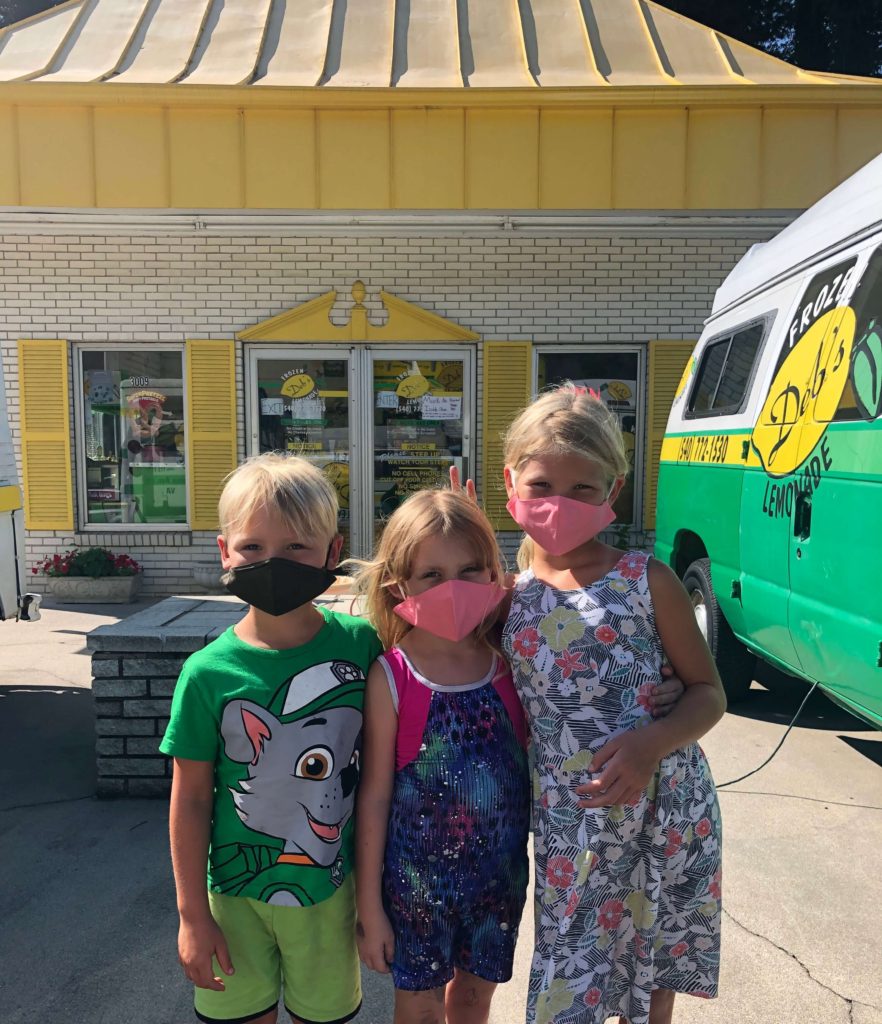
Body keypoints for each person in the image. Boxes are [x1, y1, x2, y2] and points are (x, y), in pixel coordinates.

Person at [501, 385, 726, 1024]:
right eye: (541, 486)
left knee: (651, 963)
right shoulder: (504, 599)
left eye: (583, 490)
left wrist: (656, 739)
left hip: (664, 809)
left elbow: (710, 693)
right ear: (511, 483)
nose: (559, 504)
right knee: (571, 972)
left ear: (614, 490)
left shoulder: (648, 580)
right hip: (572, 825)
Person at [159, 453, 381, 1024]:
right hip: (232, 902)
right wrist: (190, 915)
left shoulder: (363, 646)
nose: (272, 562)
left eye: (296, 547)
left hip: (329, 895)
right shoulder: (207, 672)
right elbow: (191, 797)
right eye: (253, 547)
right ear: (224, 551)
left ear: (333, 552)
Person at [353, 489, 531, 1024]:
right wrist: (370, 908)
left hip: (497, 884)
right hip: (415, 891)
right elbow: (376, 796)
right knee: (422, 1011)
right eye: (431, 574)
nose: (452, 587)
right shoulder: (393, 677)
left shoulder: (509, 662)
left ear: (492, 574)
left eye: (469, 569)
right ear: (398, 585)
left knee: (474, 1003)